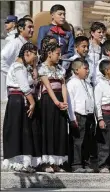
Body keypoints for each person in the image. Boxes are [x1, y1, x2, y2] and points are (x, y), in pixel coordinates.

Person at [2, 43, 40, 173]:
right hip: (18, 101)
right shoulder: (18, 67)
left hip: (23, 101)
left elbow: (34, 82)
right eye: (34, 55)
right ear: (27, 53)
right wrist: (32, 103)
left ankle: (25, 162)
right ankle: (17, 161)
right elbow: (24, 86)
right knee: (17, 129)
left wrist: (34, 66)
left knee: (25, 130)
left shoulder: (25, 67)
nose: (35, 58)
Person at [38, 42, 68, 173]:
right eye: (57, 53)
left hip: (60, 100)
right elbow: (48, 87)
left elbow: (63, 85)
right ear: (49, 54)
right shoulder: (41, 68)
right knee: (48, 129)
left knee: (58, 130)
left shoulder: (60, 69)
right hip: (48, 101)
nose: (59, 56)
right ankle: (46, 162)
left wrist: (65, 102)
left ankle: (56, 162)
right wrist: (56, 102)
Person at [67, 59, 95, 173]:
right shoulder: (71, 83)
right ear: (77, 70)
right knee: (78, 141)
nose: (87, 71)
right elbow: (70, 102)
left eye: (88, 69)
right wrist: (72, 118)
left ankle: (86, 163)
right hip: (78, 115)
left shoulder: (88, 84)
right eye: (85, 68)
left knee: (87, 140)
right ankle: (76, 164)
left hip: (89, 114)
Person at [1, 18, 34, 102]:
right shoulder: (14, 43)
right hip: (17, 91)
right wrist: (12, 73)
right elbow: (2, 59)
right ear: (20, 28)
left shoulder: (30, 44)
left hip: (28, 89)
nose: (32, 30)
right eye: (29, 27)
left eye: (33, 27)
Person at [88, 22, 107, 86]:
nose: (101, 34)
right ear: (92, 33)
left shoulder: (103, 48)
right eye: (99, 32)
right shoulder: (86, 45)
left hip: (98, 80)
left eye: (103, 32)